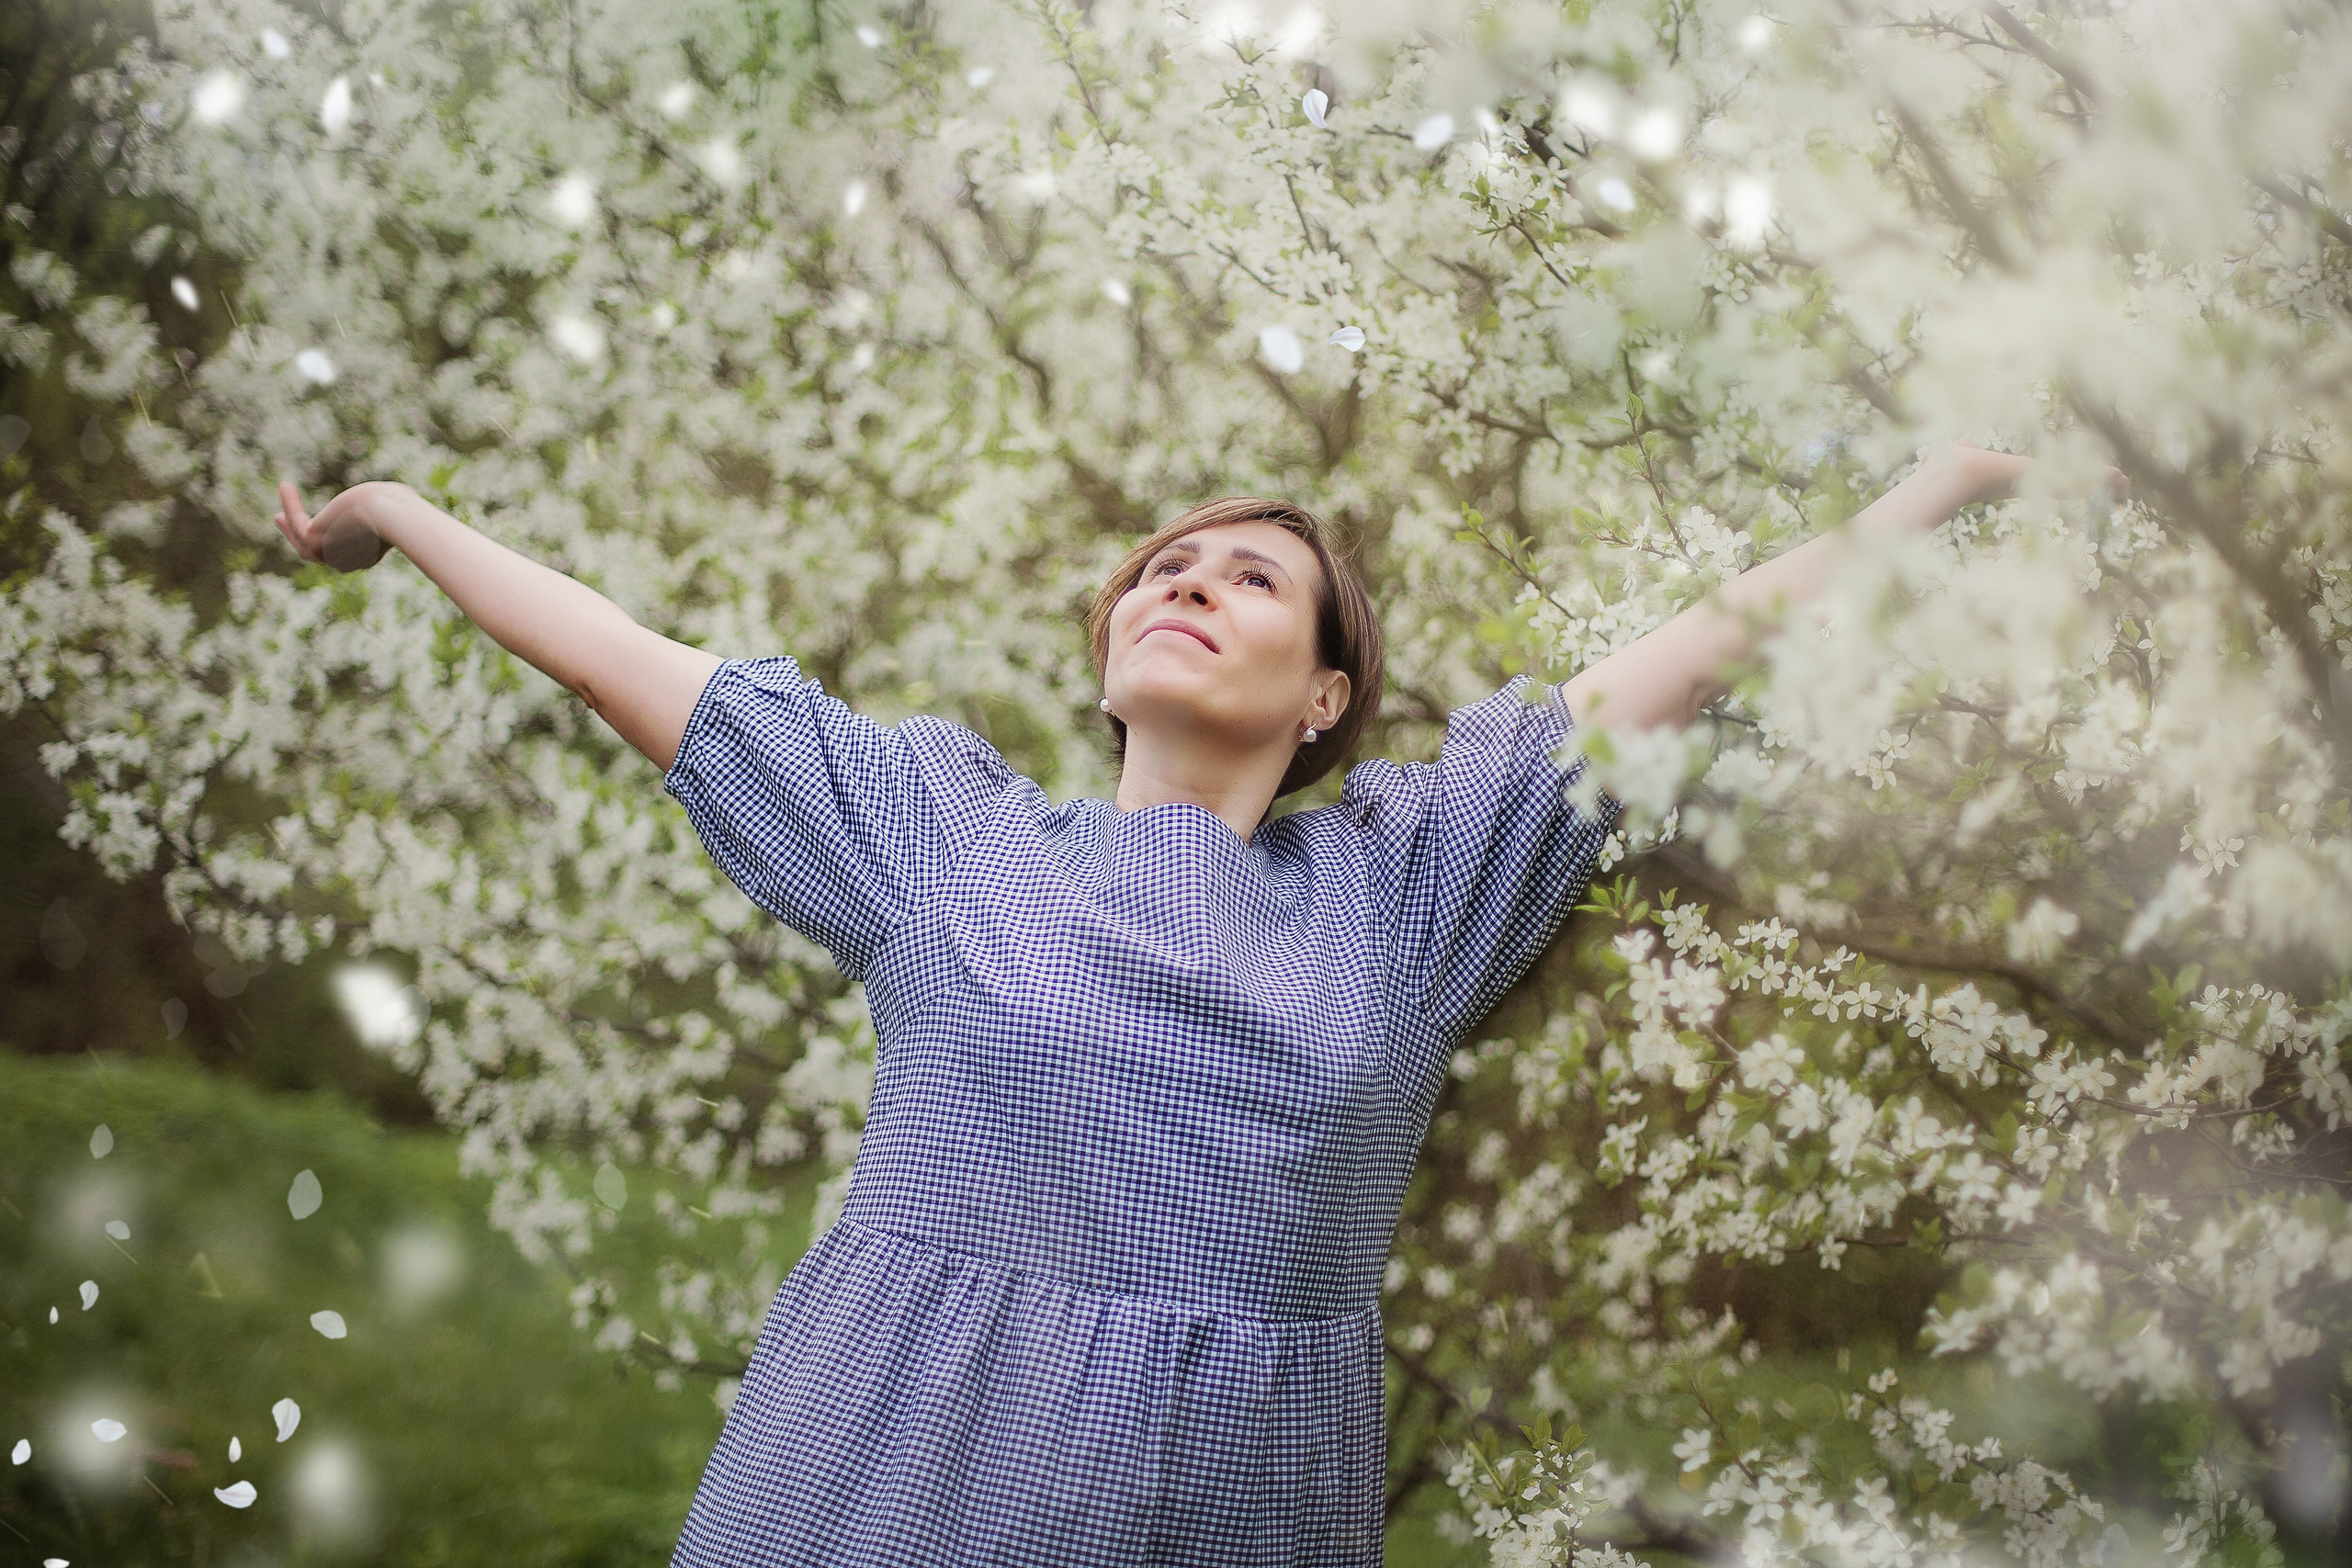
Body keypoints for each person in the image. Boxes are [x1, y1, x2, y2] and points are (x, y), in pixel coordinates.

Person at [272, 443, 2036, 1565]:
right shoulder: (943, 838)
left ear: (1326, 694)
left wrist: (1918, 504)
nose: (1188, 583)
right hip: (884, 1470)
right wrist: (397, 514)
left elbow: (1689, 659)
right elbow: (616, 654)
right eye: (1165, 569)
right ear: (1115, 649)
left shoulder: (1409, 891)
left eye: (1252, 578)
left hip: (1226, 1500)